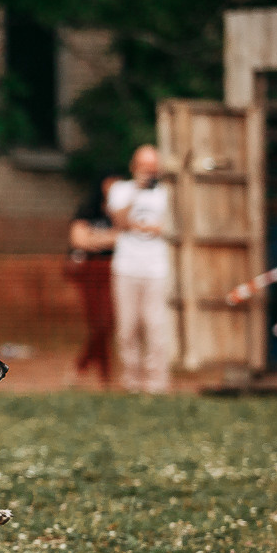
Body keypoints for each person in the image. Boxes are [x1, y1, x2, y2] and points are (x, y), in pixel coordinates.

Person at [107, 145, 171, 394]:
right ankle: (131, 382)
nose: (149, 172)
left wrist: (146, 227)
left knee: (155, 326)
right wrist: (137, 191)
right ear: (134, 167)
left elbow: (168, 228)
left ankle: (157, 384)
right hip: (126, 267)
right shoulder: (120, 190)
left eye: (153, 167)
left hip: (157, 269)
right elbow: (120, 222)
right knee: (127, 327)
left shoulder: (167, 193)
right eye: (145, 167)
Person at [65, 174, 121, 386]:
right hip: (90, 273)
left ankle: (84, 368)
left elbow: (123, 237)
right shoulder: (88, 209)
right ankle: (102, 375)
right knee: (98, 324)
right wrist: (110, 238)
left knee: (106, 323)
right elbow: (79, 240)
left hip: (114, 271)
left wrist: (95, 238)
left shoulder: (121, 212)